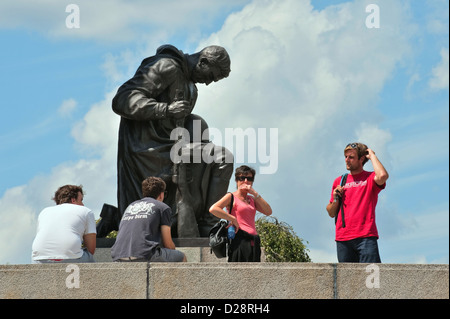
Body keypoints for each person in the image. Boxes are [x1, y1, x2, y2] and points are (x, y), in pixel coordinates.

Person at [112, 44, 233, 238]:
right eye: (211, 76)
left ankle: (206, 223)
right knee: (222, 157)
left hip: (171, 147)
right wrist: (165, 109)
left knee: (213, 150)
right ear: (203, 62)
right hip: (147, 150)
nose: (209, 83)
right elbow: (122, 100)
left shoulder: (191, 87)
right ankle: (207, 223)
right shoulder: (166, 66)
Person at [326, 143, 389, 263]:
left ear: (361, 159)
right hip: (343, 239)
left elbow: (382, 176)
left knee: (372, 279)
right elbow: (331, 213)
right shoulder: (339, 181)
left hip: (366, 237)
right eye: (345, 156)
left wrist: (372, 156)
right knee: (347, 281)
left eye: (351, 157)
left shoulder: (370, 178)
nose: (347, 160)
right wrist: (335, 198)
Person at [111, 176, 186, 262]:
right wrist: (173, 252)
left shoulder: (130, 207)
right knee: (181, 257)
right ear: (161, 195)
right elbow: (168, 244)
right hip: (145, 254)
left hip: (118, 256)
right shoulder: (163, 208)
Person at [209, 165, 272, 262]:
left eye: (249, 179)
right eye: (242, 178)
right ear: (236, 180)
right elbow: (213, 209)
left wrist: (255, 194)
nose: (246, 181)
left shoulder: (252, 199)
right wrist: (232, 218)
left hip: (254, 241)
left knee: (254, 274)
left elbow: (268, 211)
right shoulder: (231, 196)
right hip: (239, 239)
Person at [31, 185, 96, 263]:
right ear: (73, 200)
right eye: (81, 200)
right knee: (89, 258)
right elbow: (91, 249)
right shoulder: (86, 211)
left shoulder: (44, 211)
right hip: (72, 259)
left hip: (39, 260)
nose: (82, 204)